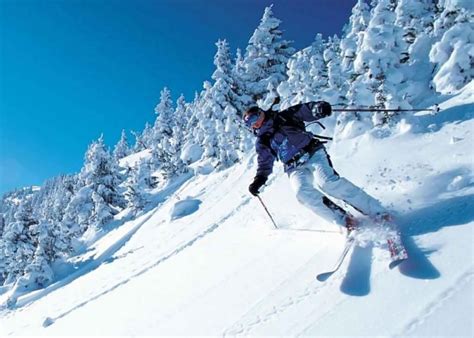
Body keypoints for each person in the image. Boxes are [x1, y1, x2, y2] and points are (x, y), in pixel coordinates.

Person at [243, 100, 389, 231]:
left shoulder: (284, 117)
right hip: (293, 166)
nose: (254, 124)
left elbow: (305, 110)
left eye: (255, 118)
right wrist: (259, 179)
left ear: (261, 113)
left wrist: (318, 108)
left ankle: (377, 212)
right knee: (302, 194)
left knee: (328, 183)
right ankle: (344, 220)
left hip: (313, 153)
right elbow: (264, 163)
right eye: (249, 124)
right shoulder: (263, 141)